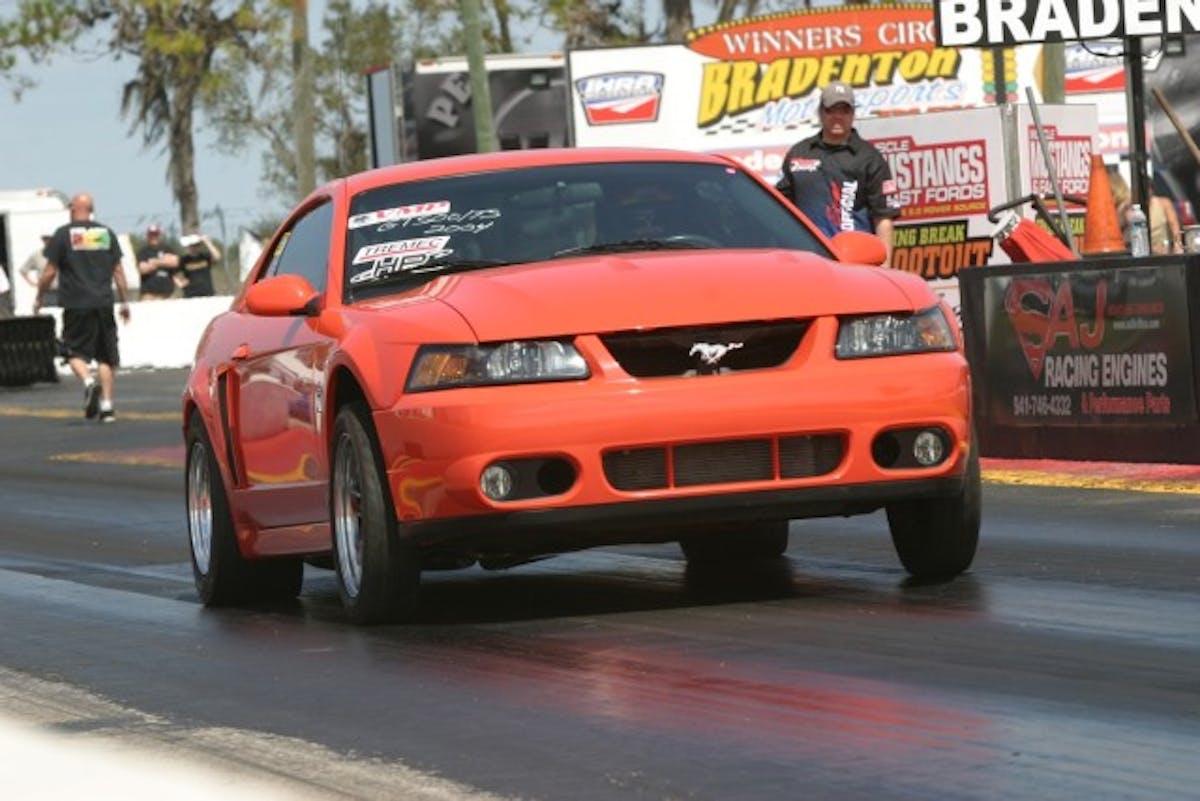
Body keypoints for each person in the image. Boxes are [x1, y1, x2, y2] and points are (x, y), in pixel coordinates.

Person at [775, 81, 902, 265]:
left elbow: (883, 218)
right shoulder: (799, 153)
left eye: (844, 110)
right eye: (831, 110)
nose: (838, 116)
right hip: (809, 261)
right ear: (820, 112)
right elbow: (778, 209)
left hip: (856, 261)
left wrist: (885, 268)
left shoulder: (869, 157)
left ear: (853, 114)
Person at [33, 192, 131, 423]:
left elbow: (49, 271)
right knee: (106, 355)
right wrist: (125, 301)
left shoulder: (63, 234)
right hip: (103, 302)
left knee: (71, 351)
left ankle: (88, 382)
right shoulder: (105, 233)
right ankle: (107, 407)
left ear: (74, 208)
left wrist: (39, 296)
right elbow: (118, 270)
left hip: (76, 303)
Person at [136, 223, 180, 299]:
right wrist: (165, 262)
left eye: (156, 234)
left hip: (168, 294)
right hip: (149, 294)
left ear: (159, 235)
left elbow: (175, 262)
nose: (153, 237)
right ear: (148, 236)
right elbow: (143, 269)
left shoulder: (167, 249)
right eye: (151, 235)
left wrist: (155, 262)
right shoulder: (143, 252)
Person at [177, 233, 221, 298]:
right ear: (188, 247)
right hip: (190, 295)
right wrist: (179, 283)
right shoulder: (183, 260)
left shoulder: (205, 257)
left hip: (207, 293)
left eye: (196, 245)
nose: (194, 248)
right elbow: (173, 273)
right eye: (191, 246)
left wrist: (207, 242)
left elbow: (217, 256)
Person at [19, 234, 56, 307]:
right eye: (45, 239)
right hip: (45, 293)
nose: (48, 241)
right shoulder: (36, 255)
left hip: (63, 291)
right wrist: (32, 283)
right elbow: (23, 270)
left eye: (50, 239)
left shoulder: (63, 254)